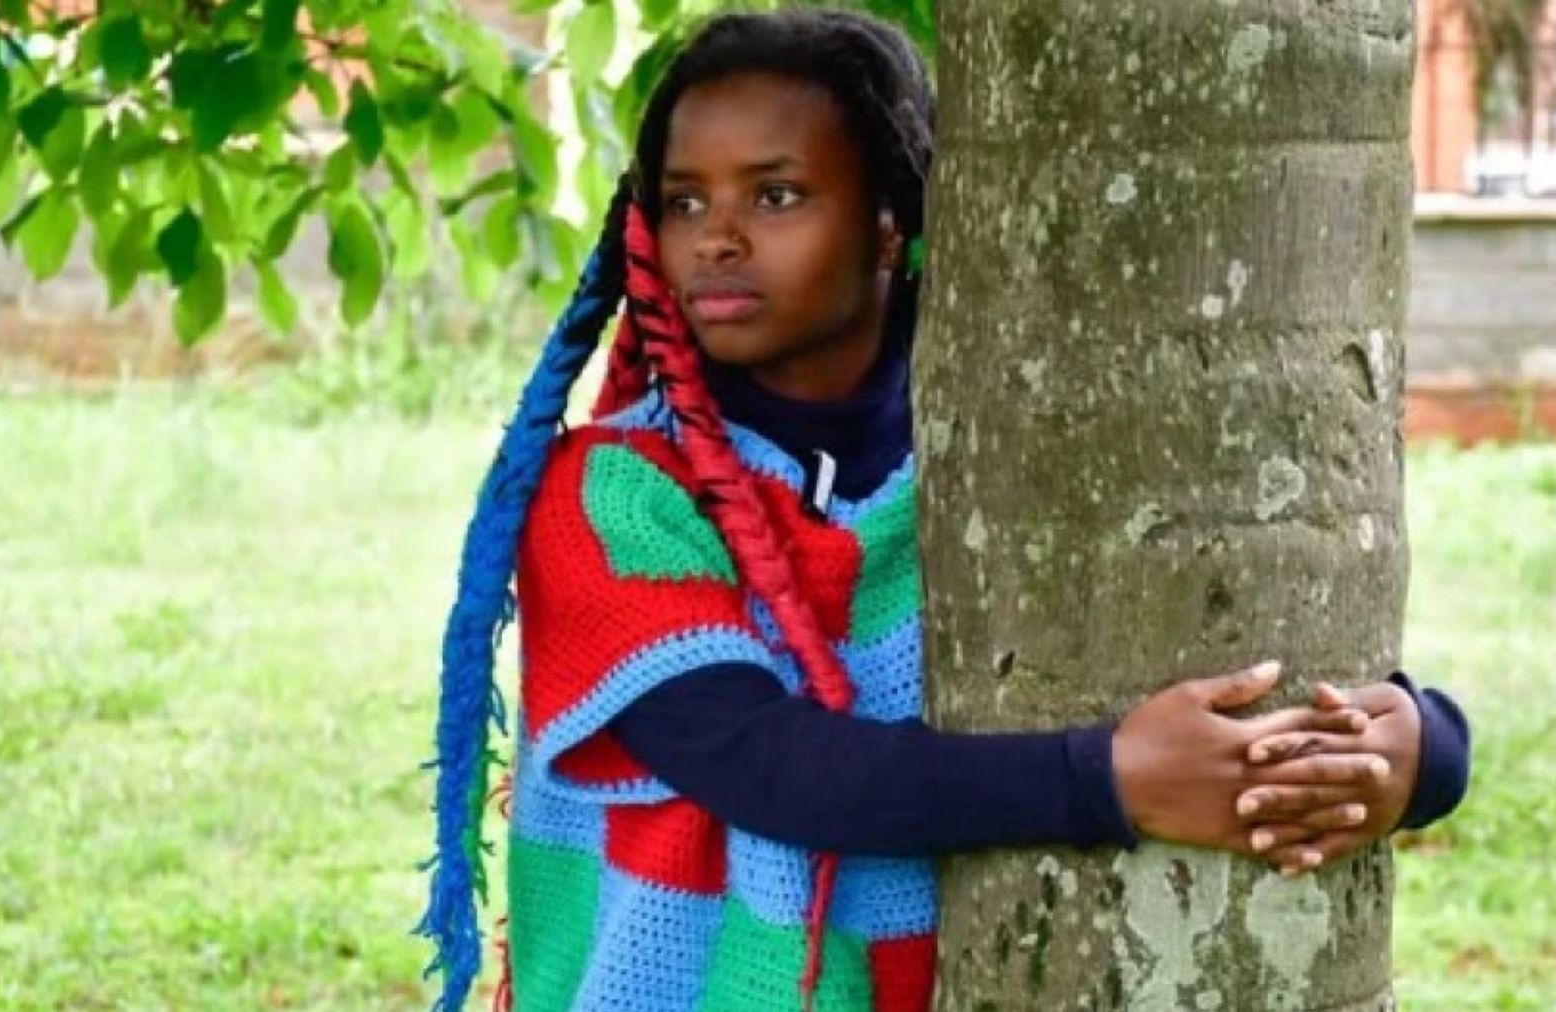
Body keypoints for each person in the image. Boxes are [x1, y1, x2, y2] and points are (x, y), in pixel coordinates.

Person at [419, 10, 1471, 1012]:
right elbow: (770, 765)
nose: (718, 239)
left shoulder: (1009, 467)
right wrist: (1105, 779)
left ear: (891, 225)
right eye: (685, 200)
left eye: (776, 195)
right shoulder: (613, 491)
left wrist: (1418, 746)